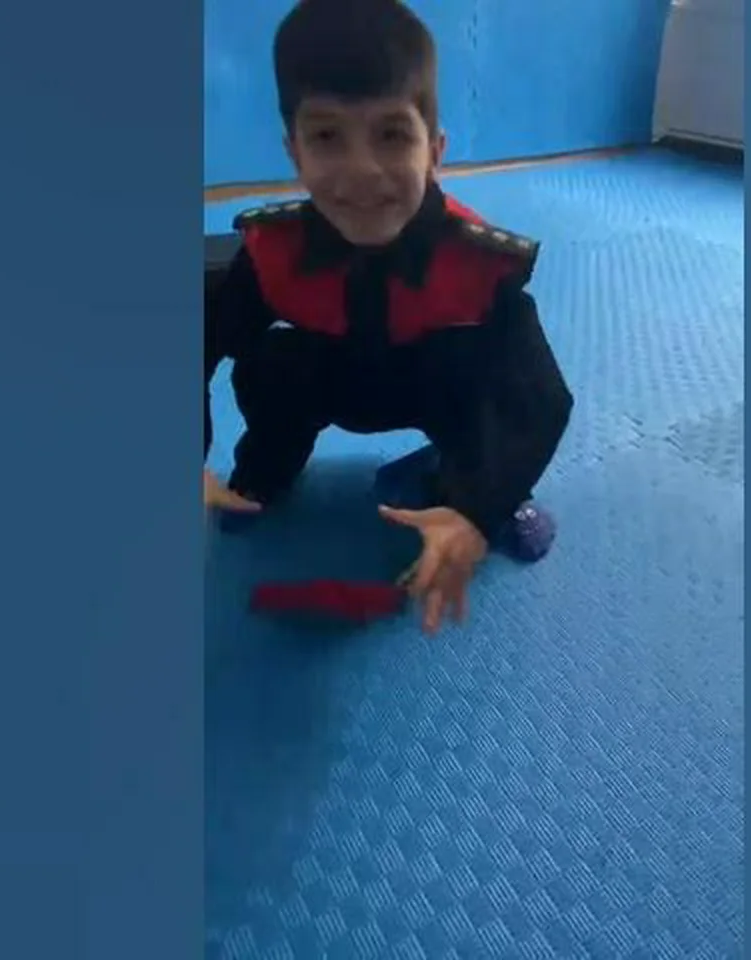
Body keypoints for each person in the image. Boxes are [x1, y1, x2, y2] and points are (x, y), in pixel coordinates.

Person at [204, 0, 573, 635]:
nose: (362, 172)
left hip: (436, 385)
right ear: (294, 153)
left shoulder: (479, 263)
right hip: (329, 377)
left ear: (435, 151)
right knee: (268, 363)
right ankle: (264, 472)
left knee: (491, 384)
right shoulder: (273, 251)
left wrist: (479, 509)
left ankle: (474, 495)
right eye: (328, 138)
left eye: (392, 136)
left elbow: (541, 399)